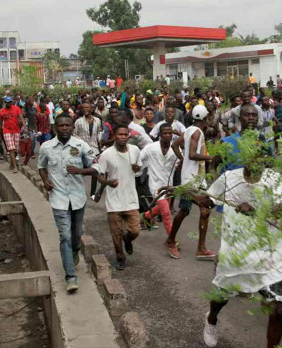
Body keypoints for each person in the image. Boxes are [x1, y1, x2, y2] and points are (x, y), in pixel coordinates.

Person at [200, 144, 282, 348]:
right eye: (251, 157)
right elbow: (209, 200)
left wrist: (257, 208)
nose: (255, 162)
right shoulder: (229, 178)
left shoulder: (275, 180)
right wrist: (194, 193)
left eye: (260, 158)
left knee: (277, 310)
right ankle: (211, 319)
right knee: (220, 300)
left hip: (268, 255)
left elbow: (280, 208)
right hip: (236, 255)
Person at [38, 114, 97, 292]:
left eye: (67, 125)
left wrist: (80, 170)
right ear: (55, 128)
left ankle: (75, 250)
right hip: (58, 199)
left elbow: (95, 167)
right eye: (61, 125)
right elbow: (41, 166)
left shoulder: (81, 146)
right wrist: (45, 180)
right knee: (64, 236)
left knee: (76, 235)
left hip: (78, 198)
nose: (64, 128)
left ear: (73, 127)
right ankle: (70, 277)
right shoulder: (46, 147)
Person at [166, 105, 217, 260]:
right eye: (210, 117)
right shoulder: (197, 132)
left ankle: (172, 240)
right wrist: (212, 158)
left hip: (194, 178)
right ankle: (198, 248)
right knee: (205, 209)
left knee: (185, 211)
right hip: (191, 181)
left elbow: (175, 145)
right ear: (205, 118)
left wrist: (183, 160)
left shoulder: (189, 130)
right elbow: (193, 154)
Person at [92, 125, 142, 270]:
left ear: (129, 136)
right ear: (114, 136)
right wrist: (108, 182)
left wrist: (137, 169)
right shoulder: (106, 154)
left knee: (135, 230)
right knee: (116, 233)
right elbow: (99, 176)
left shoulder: (135, 150)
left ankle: (128, 239)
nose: (123, 137)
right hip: (114, 201)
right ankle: (120, 257)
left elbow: (139, 169)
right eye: (120, 134)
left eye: (125, 135)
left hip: (131, 199)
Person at [140, 123, 179, 234]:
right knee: (166, 212)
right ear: (160, 134)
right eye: (165, 133)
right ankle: (171, 241)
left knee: (160, 209)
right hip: (155, 185)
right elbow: (139, 158)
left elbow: (180, 163)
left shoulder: (176, 148)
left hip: (168, 185)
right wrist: (137, 167)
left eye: (170, 133)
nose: (167, 135)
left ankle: (145, 215)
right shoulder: (150, 148)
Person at [74, 102, 102, 200]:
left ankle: (92, 193)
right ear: (82, 109)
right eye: (84, 107)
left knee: (95, 171)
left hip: (94, 149)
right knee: (80, 171)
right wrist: (81, 143)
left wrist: (101, 148)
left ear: (91, 109)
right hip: (82, 151)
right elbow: (74, 134)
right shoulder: (78, 122)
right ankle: (78, 192)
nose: (86, 109)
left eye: (88, 107)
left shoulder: (97, 120)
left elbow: (98, 134)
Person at [0, 96, 26, 173]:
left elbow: (21, 118)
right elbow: (0, 124)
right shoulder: (2, 112)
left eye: (10, 102)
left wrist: (25, 127)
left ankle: (11, 163)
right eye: (7, 102)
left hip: (16, 130)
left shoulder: (16, 108)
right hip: (7, 131)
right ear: (5, 103)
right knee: (11, 149)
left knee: (16, 149)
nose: (9, 103)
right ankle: (15, 167)